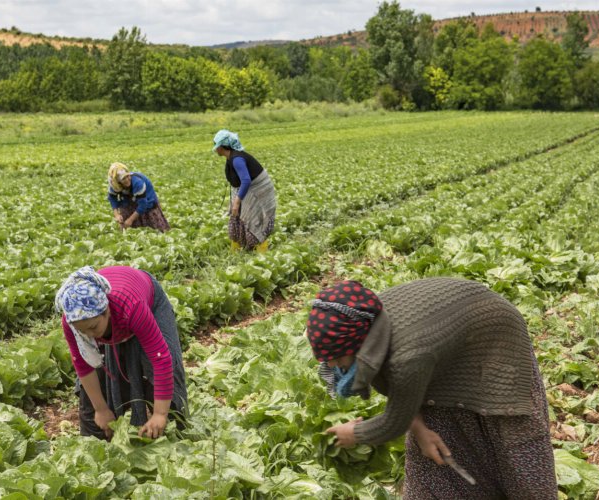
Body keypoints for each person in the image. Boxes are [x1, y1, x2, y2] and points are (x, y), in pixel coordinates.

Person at [306, 278, 557, 499]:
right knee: (433, 449)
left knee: (514, 447)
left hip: (496, 338)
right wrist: (420, 430)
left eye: (338, 359)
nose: (334, 367)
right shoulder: (364, 322)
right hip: (440, 348)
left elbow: (393, 422)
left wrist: (356, 434)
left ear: (359, 345)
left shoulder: (407, 358)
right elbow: (402, 394)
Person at [55, 266, 187, 440]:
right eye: (82, 331)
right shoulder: (74, 320)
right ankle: (98, 438)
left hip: (145, 299)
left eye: (93, 328)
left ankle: (174, 432)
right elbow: (83, 364)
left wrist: (160, 414)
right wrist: (100, 409)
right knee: (97, 378)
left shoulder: (133, 308)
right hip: (116, 313)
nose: (89, 335)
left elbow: (160, 359)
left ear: (107, 311)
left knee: (158, 366)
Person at [212, 130, 276, 252]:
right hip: (246, 187)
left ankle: (263, 254)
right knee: (235, 216)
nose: (215, 149)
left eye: (216, 145)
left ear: (222, 146)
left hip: (257, 190)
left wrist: (236, 202)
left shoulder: (237, 159)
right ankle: (237, 250)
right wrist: (234, 201)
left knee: (253, 219)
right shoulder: (230, 157)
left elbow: (246, 181)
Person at [107, 162, 170, 232]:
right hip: (128, 201)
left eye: (127, 176)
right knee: (127, 227)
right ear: (118, 182)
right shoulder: (115, 185)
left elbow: (143, 205)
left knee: (153, 229)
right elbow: (112, 197)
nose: (127, 179)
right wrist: (116, 214)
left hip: (147, 201)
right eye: (123, 179)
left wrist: (130, 220)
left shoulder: (137, 183)